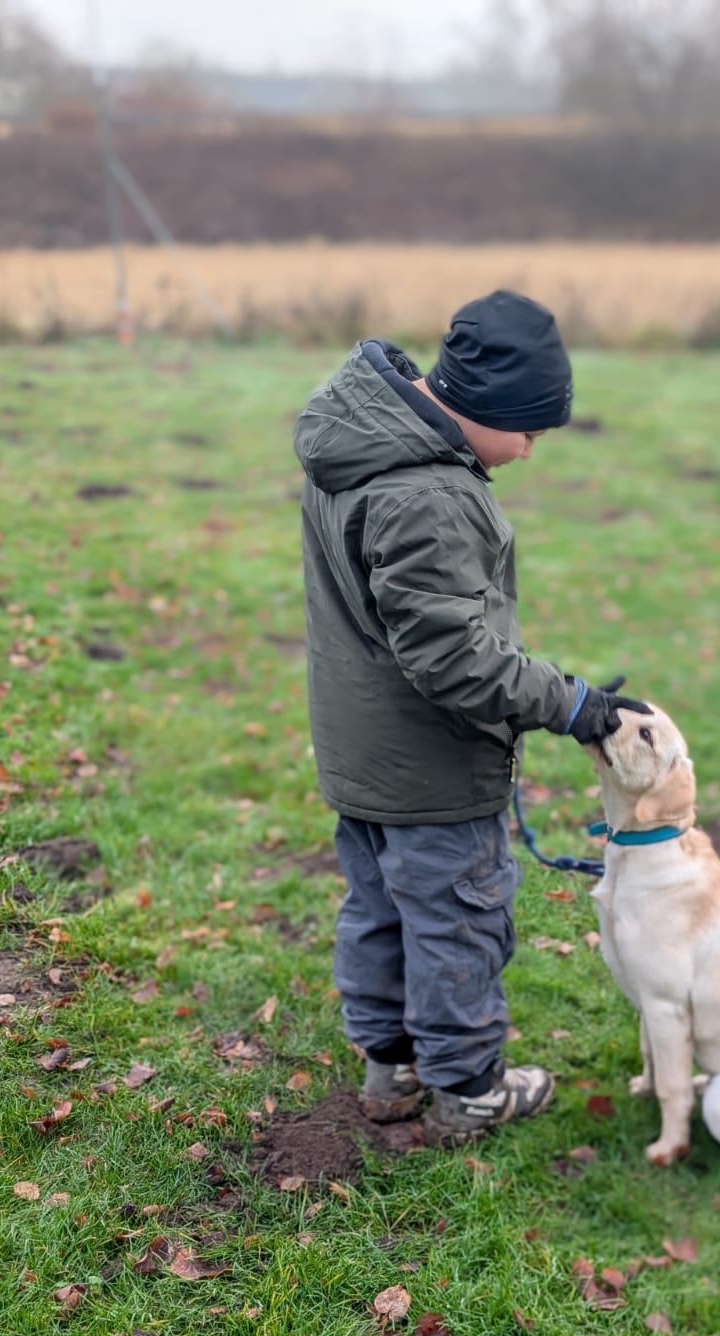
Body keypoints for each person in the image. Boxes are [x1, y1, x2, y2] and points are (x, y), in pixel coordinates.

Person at [293, 289, 647, 1141]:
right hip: (433, 769)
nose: (529, 449)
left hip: (362, 757)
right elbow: (454, 659)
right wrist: (576, 705)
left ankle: (392, 1068)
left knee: (378, 912)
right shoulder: (429, 496)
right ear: (482, 408)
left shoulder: (362, 450)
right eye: (529, 430)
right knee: (459, 924)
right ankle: (468, 1090)